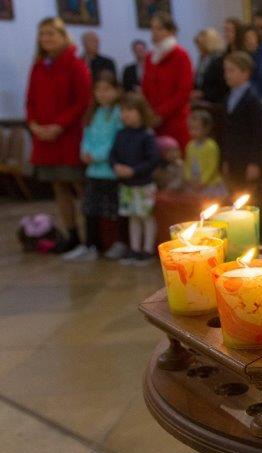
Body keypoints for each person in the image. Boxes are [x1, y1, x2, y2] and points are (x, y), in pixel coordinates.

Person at [26, 17, 92, 254]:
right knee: (59, 186)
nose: (46, 38)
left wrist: (59, 125)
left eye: (51, 33)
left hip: (68, 136)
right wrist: (34, 125)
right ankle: (72, 234)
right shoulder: (38, 65)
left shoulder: (75, 63)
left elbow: (83, 101)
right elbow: (30, 99)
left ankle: (92, 236)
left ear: (63, 36)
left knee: (80, 186)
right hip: (45, 138)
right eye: (42, 34)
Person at [63, 71, 124, 262]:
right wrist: (85, 153)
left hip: (111, 171)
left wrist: (97, 156)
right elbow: (87, 136)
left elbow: (116, 140)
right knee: (90, 209)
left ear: (116, 90)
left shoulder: (118, 113)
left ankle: (120, 243)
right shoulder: (93, 113)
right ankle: (91, 245)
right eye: (98, 89)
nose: (102, 94)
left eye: (107, 89)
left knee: (115, 210)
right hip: (94, 171)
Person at [110, 93, 160, 266]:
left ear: (141, 112)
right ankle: (135, 248)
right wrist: (116, 166)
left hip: (144, 185)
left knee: (146, 217)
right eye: (123, 110)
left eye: (130, 110)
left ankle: (147, 250)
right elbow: (113, 154)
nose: (125, 114)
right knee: (133, 217)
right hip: (127, 186)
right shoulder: (121, 134)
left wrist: (134, 170)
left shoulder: (147, 135)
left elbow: (153, 160)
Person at [142, 12, 193, 149]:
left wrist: (161, 113)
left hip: (175, 118)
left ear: (171, 31)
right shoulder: (150, 57)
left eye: (159, 28)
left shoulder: (180, 55)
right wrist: (148, 112)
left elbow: (183, 92)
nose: (154, 32)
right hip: (153, 118)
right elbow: (146, 87)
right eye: (152, 28)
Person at [221, 51, 262, 197]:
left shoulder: (252, 99)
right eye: (225, 70)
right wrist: (226, 159)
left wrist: (254, 162)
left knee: (248, 196)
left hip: (246, 157)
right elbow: (226, 131)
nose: (227, 75)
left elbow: (258, 133)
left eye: (231, 70)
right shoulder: (228, 97)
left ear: (245, 73)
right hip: (233, 156)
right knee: (234, 194)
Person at [184, 109, 224, 196]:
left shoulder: (211, 146)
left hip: (210, 185)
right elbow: (187, 164)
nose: (193, 132)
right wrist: (188, 178)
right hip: (194, 183)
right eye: (191, 128)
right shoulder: (190, 146)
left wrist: (203, 182)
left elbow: (212, 167)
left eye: (196, 129)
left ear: (206, 129)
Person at [193, 28, 227, 104]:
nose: (198, 48)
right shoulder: (202, 58)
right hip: (201, 100)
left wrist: (203, 94)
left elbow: (221, 86)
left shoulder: (219, 60)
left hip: (214, 101)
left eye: (201, 45)